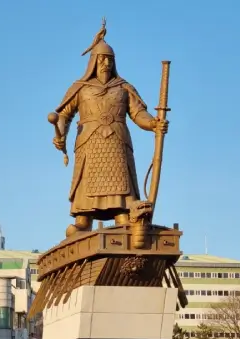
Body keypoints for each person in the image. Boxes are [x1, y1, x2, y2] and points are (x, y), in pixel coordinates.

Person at [50, 21, 168, 237]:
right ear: (94, 61)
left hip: (117, 147)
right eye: (102, 59)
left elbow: (138, 113)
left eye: (110, 60)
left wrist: (153, 123)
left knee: (123, 208)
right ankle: (83, 224)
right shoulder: (81, 88)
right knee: (83, 212)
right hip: (90, 146)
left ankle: (124, 221)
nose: (105, 63)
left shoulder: (123, 87)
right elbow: (64, 115)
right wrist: (61, 135)